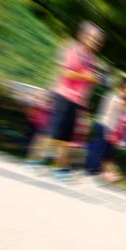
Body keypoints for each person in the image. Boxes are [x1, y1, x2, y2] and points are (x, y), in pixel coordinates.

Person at [46, 21, 105, 182]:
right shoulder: (74, 51)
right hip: (64, 96)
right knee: (57, 135)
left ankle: (60, 169)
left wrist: (85, 102)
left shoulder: (92, 59)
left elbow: (88, 82)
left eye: (98, 40)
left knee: (67, 137)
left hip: (77, 102)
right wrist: (88, 76)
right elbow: (65, 73)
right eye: (93, 38)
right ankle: (43, 161)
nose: (96, 42)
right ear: (83, 36)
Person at [85, 74, 126, 182]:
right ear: (124, 87)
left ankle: (96, 172)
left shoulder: (118, 97)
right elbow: (111, 113)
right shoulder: (115, 97)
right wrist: (108, 131)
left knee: (105, 152)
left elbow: (125, 108)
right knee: (98, 150)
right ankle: (90, 172)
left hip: (109, 128)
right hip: (105, 126)